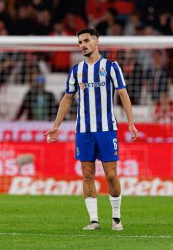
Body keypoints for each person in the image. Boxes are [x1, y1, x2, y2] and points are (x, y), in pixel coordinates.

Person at [44, 28, 138, 231]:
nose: (83, 45)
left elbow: (123, 94)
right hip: (84, 131)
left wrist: (130, 122)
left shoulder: (111, 67)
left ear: (96, 42)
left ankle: (116, 217)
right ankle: (94, 220)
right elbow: (67, 99)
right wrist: (56, 125)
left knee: (111, 175)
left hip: (106, 129)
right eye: (80, 42)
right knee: (87, 174)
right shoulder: (76, 71)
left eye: (86, 40)